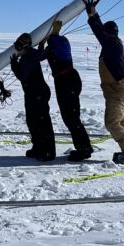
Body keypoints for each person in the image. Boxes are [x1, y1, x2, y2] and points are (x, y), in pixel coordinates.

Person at [82, 0, 124, 165]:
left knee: (112, 123)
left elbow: (99, 32)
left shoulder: (112, 44)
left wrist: (92, 15)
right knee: (120, 121)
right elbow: (101, 32)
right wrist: (94, 13)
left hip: (116, 89)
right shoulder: (112, 42)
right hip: (115, 89)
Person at [38, 20, 93, 161]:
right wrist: (41, 44)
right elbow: (40, 57)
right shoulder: (52, 47)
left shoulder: (62, 42)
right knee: (68, 117)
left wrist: (53, 34)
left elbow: (56, 43)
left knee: (71, 117)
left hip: (68, 81)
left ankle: (84, 149)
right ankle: (83, 146)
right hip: (62, 82)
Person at [10, 32, 55, 161]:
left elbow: (22, 76)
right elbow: (41, 55)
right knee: (32, 121)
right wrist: (41, 45)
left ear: (24, 46)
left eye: (18, 46)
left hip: (38, 93)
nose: (17, 49)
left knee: (41, 122)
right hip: (32, 93)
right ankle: (38, 147)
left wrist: (14, 65)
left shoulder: (28, 57)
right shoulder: (30, 54)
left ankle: (47, 152)